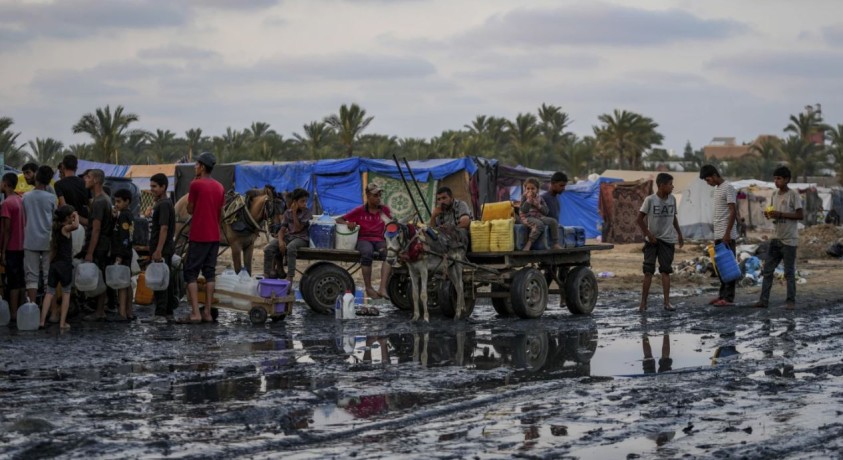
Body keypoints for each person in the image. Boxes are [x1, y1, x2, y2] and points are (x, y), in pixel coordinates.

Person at [753, 166, 803, 309]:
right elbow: (774, 213)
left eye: (779, 178)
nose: (776, 181)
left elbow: (800, 215)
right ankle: (763, 300)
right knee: (768, 270)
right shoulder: (774, 194)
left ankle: (790, 301)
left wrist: (780, 214)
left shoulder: (793, 195)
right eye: (775, 178)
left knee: (789, 272)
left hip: (789, 240)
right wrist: (769, 214)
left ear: (787, 180)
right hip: (776, 237)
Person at [184, 152, 225, 323]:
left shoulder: (196, 185)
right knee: (210, 273)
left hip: (199, 235)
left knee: (190, 272)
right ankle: (207, 312)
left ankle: (195, 313)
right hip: (214, 236)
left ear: (201, 167)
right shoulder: (220, 187)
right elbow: (220, 214)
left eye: (196, 165)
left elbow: (190, 209)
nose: (195, 167)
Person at [636, 172, 684, 312]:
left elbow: (673, 217)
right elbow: (639, 219)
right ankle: (643, 303)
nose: (672, 187)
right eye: (670, 184)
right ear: (661, 185)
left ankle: (667, 303)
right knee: (648, 272)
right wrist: (649, 234)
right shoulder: (650, 200)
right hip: (652, 241)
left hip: (668, 240)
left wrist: (679, 234)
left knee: (665, 271)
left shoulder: (672, 199)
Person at [336, 183, 392, 299]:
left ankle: (382, 287)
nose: (378, 198)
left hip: (380, 240)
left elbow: (392, 224)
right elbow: (339, 219)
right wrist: (348, 223)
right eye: (375, 195)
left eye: (379, 195)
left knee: (388, 254)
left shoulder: (384, 210)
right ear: (368, 195)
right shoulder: (359, 211)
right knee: (367, 253)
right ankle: (368, 287)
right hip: (364, 239)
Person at [700, 164, 738, 307]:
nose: (708, 183)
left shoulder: (728, 187)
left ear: (715, 175)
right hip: (719, 233)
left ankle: (728, 298)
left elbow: (732, 211)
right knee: (722, 266)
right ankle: (722, 295)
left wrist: (727, 233)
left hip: (726, 234)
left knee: (729, 267)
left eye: (708, 180)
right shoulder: (717, 189)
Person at [39, 205, 78, 330]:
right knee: (66, 293)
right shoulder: (65, 228)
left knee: (49, 293)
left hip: (54, 265)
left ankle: (41, 321)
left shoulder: (56, 228)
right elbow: (76, 226)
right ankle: (62, 323)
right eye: (71, 216)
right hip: (64, 265)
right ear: (67, 218)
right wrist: (76, 215)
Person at [23, 166, 56, 309]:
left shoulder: (26, 197)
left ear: (36, 177)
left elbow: (25, 217)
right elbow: (55, 219)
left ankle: (32, 308)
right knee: (49, 276)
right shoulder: (52, 198)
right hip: (48, 240)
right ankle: (50, 311)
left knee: (31, 276)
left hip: (30, 239)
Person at [82, 169, 113, 321]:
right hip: (103, 244)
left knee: (99, 276)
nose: (85, 180)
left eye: (88, 177)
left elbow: (96, 229)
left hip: (99, 245)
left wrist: (90, 251)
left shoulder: (100, 201)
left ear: (95, 180)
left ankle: (99, 310)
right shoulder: (104, 199)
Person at [149, 173, 177, 323]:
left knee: (160, 281)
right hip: (162, 248)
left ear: (163, 187)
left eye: (154, 186)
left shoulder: (164, 204)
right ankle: (168, 312)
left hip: (162, 249)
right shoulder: (162, 203)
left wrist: (158, 250)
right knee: (166, 280)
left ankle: (160, 314)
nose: (151, 189)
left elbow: (164, 228)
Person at [1, 173, 26, 322]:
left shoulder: (6, 204)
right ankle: (22, 309)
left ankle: (13, 313)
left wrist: (3, 251)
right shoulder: (20, 200)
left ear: (5, 184)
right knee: (20, 280)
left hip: (11, 247)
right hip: (23, 245)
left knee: (13, 281)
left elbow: (6, 230)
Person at [277, 188, 312, 283]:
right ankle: (268, 274)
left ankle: (290, 276)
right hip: (290, 237)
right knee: (270, 247)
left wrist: (294, 213)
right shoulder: (287, 213)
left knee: (291, 247)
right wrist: (280, 241)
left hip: (302, 238)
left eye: (306, 201)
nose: (305, 203)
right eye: (302, 201)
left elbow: (297, 229)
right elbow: (282, 230)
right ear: (295, 202)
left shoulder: (307, 212)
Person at [519, 177, 561, 251]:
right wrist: (528, 201)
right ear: (525, 189)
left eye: (532, 188)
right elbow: (523, 210)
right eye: (528, 188)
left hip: (538, 216)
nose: (530, 191)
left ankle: (555, 243)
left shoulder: (539, 198)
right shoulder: (524, 197)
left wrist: (538, 205)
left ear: (537, 190)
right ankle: (529, 244)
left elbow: (546, 211)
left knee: (553, 221)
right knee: (539, 225)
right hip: (526, 218)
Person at [111, 189, 134, 321]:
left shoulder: (124, 216)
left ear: (127, 201)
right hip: (127, 252)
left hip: (122, 253)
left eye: (119, 201)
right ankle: (129, 311)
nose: (116, 204)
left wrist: (119, 255)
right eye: (115, 201)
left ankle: (122, 313)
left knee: (122, 283)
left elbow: (124, 236)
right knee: (127, 282)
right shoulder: (127, 214)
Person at [54, 155, 90, 226]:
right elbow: (91, 205)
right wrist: (87, 222)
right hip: (83, 223)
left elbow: (64, 207)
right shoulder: (84, 183)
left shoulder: (59, 184)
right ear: (76, 168)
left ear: (63, 167)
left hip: (69, 224)